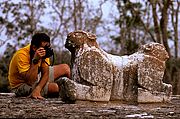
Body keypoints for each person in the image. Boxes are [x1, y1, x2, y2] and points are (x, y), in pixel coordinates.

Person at [8, 32, 76, 102]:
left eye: (48, 47)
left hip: (36, 75)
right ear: (34, 47)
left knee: (65, 68)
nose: (46, 50)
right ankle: (71, 93)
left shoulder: (44, 51)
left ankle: (77, 89)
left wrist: (38, 88)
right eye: (44, 47)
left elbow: (46, 73)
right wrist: (35, 60)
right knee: (56, 87)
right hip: (22, 84)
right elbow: (30, 81)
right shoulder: (22, 55)